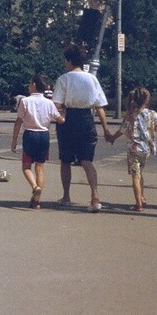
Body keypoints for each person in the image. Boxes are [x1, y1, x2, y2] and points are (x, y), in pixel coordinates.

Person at [52, 44, 109, 212]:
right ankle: (95, 195)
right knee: (86, 161)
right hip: (87, 119)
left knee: (66, 160)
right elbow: (100, 107)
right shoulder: (92, 79)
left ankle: (66, 196)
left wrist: (60, 118)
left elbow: (57, 104)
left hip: (69, 119)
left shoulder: (64, 79)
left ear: (69, 61)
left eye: (65, 60)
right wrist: (106, 130)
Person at [104, 86, 157, 211]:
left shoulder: (130, 116)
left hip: (134, 149)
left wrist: (112, 138)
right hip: (146, 150)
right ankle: (142, 196)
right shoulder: (152, 114)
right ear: (146, 100)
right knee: (140, 173)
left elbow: (121, 130)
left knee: (135, 175)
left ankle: (138, 204)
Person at [10, 75, 62, 209]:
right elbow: (60, 119)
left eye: (29, 84)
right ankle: (37, 201)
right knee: (40, 167)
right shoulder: (49, 102)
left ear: (33, 85)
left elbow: (19, 121)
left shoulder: (25, 101)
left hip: (30, 134)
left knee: (26, 166)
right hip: (44, 135)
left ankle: (35, 187)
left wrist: (14, 139)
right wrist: (64, 111)